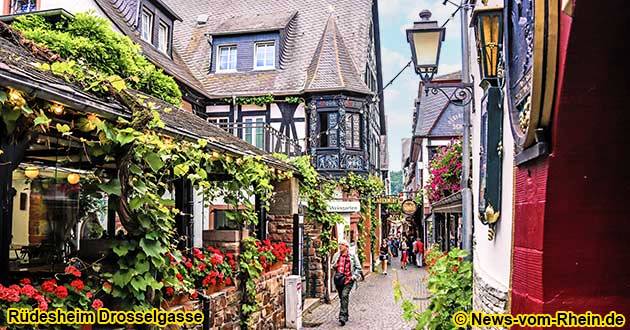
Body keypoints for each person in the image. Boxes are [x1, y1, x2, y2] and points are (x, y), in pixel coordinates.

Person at [331, 239, 362, 326]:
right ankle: (346, 313)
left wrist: (353, 277)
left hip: (348, 280)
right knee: (342, 297)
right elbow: (332, 266)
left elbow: (358, 267)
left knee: (344, 295)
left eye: (342, 245)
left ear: (346, 246)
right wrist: (334, 266)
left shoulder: (352, 256)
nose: (340, 246)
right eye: (339, 244)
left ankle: (342, 317)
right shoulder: (336, 255)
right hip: (338, 280)